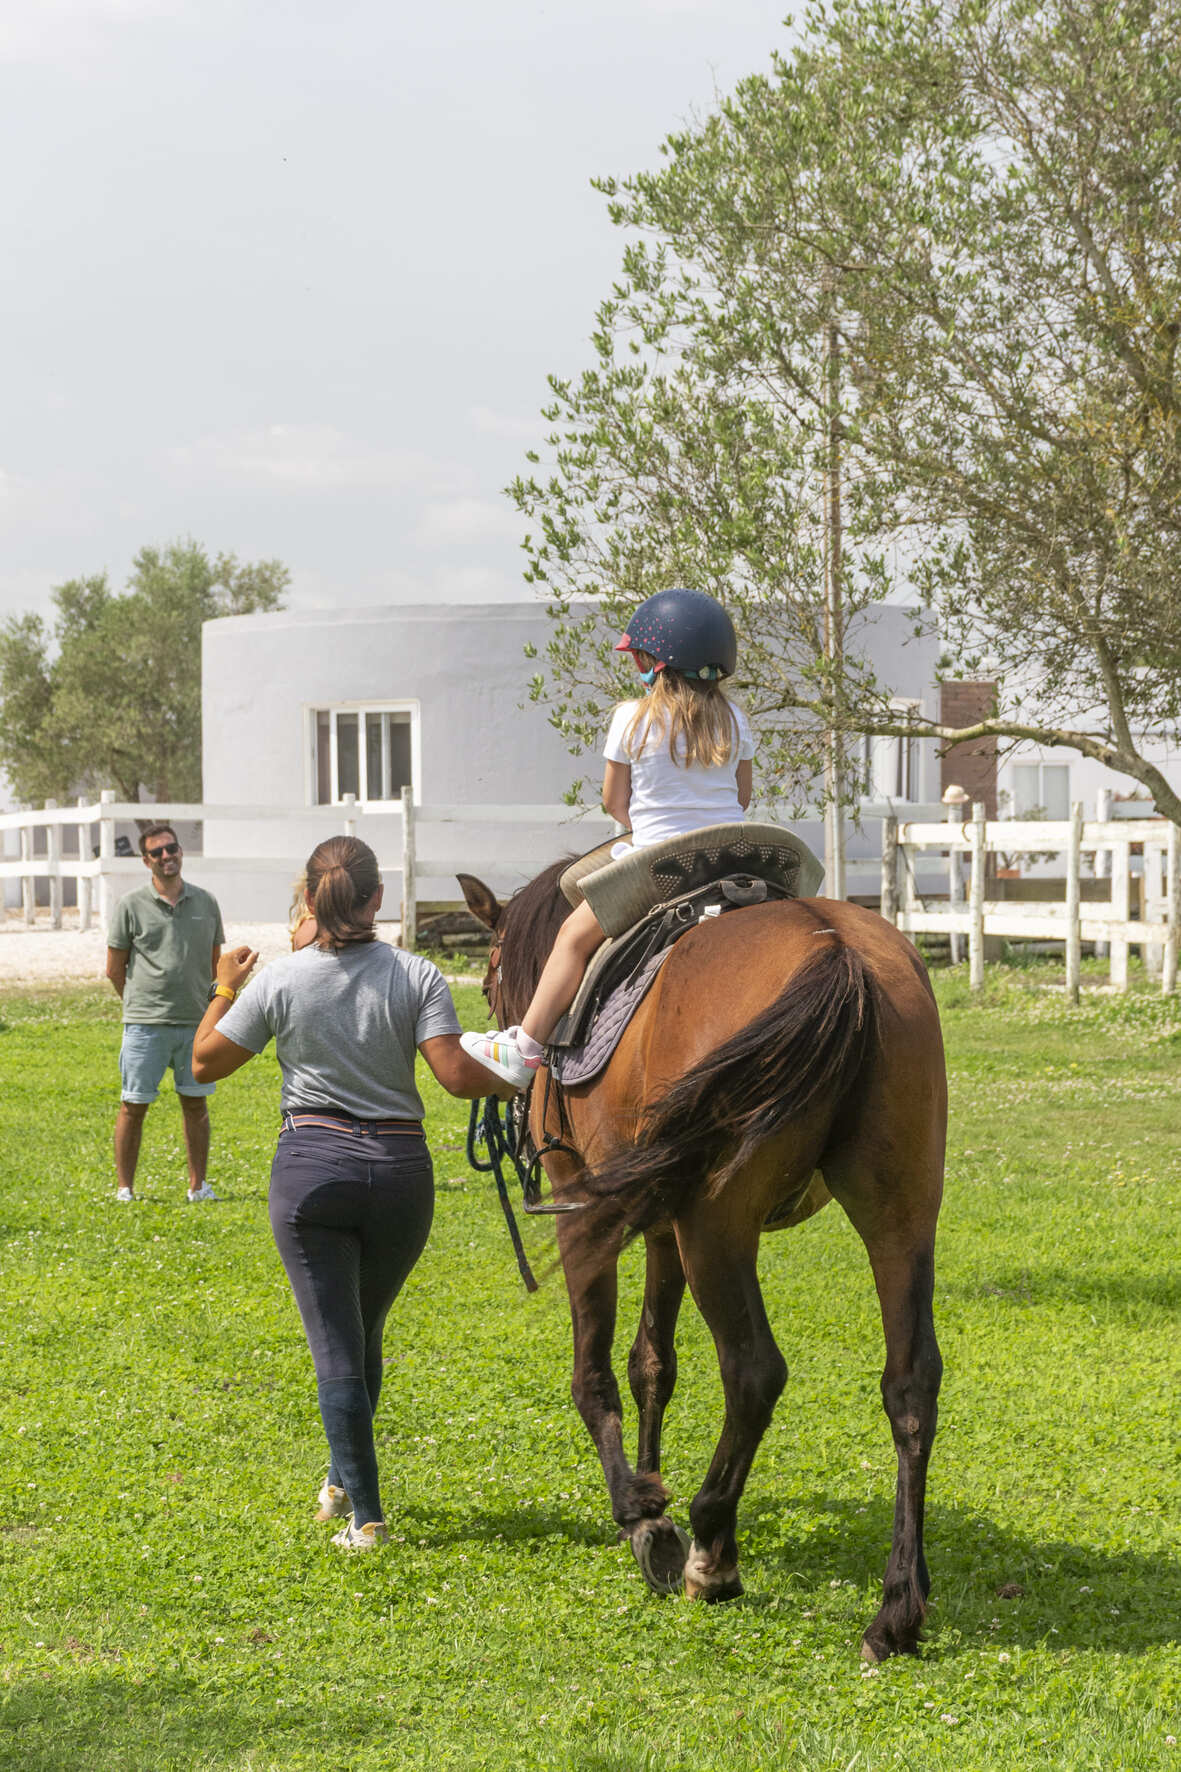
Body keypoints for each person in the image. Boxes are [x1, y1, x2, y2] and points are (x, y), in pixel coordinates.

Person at [190, 835, 510, 1551]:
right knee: (362, 1332)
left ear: (308, 899)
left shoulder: (281, 980)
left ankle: (365, 1517)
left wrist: (223, 986)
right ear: (377, 900)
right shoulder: (418, 974)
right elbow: (457, 1077)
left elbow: (204, 1063)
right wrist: (524, 1074)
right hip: (401, 1175)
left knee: (337, 1344)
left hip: (312, 1170)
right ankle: (339, 1481)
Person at [460, 586, 754, 1089]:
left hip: (661, 863)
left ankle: (523, 1048)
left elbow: (614, 803)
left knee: (572, 940)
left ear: (655, 663)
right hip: (733, 856)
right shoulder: (735, 720)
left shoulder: (631, 717)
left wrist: (651, 819)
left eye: (640, 657)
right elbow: (742, 798)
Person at [106, 823, 225, 1203]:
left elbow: (214, 962)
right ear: (146, 861)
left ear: (180, 852)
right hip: (145, 1025)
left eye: (171, 848)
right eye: (156, 852)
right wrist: (140, 1004)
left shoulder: (206, 903)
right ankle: (125, 1188)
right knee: (133, 1105)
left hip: (195, 1022)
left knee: (196, 1104)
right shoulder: (130, 905)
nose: (166, 856)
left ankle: (198, 1187)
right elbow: (114, 968)